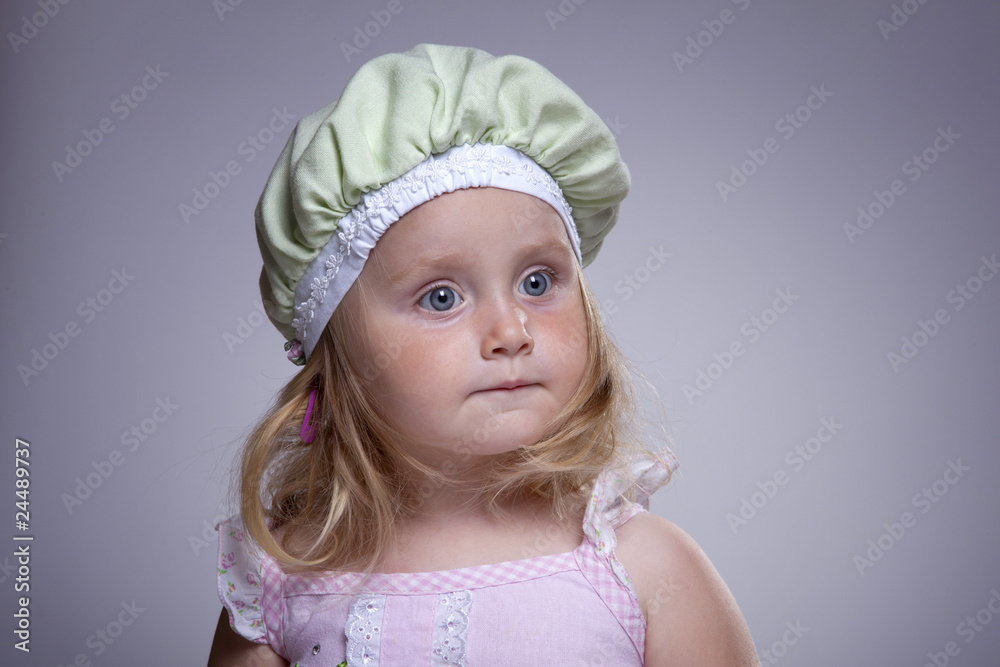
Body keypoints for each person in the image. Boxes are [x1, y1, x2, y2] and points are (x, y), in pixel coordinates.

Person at [207, 43, 759, 666]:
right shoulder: (285, 578)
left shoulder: (646, 570)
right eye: (441, 297)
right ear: (335, 359)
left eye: (537, 282)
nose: (512, 330)